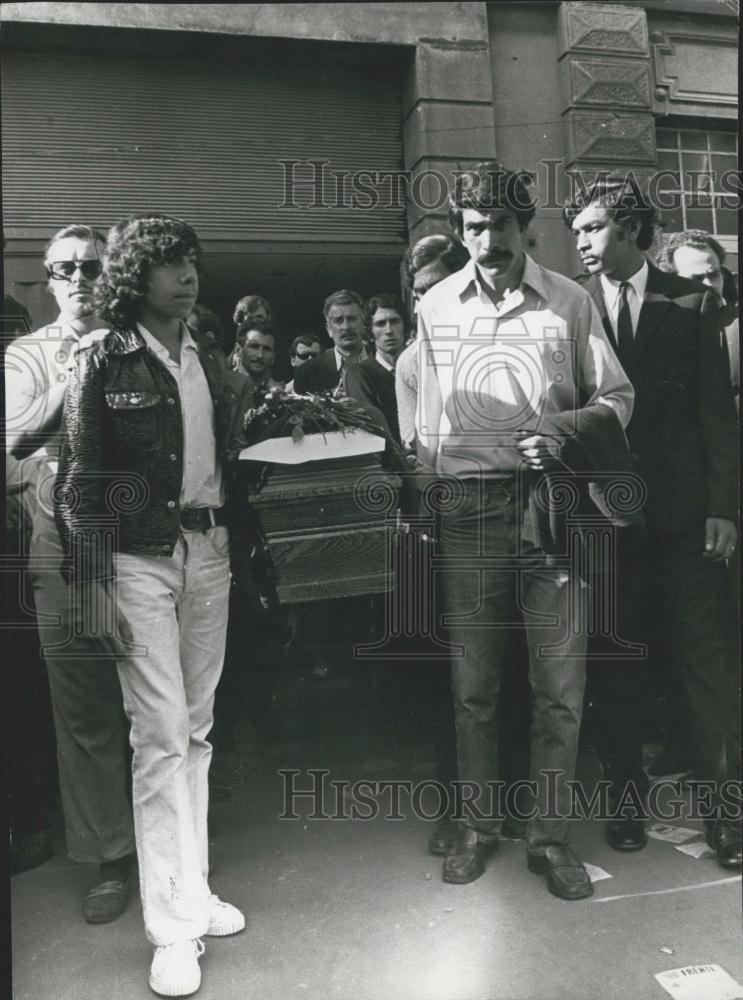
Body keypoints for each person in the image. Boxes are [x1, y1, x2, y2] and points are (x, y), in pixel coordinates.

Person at [416, 161, 634, 899]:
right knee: (473, 685)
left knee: (560, 687)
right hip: (468, 510)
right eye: (472, 228)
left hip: (551, 506)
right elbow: (425, 423)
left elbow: (616, 397)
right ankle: (478, 827)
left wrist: (561, 432)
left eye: (499, 227)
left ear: (523, 228)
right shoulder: (436, 306)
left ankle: (548, 839)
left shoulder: (569, 302)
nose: (486, 242)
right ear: (459, 230)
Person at [54, 214, 254, 996]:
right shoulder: (103, 355)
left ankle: (193, 894)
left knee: (196, 731)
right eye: (169, 264)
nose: (186, 274)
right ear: (137, 276)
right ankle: (170, 929)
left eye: (191, 261)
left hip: (209, 549)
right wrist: (94, 580)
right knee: (161, 735)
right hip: (137, 559)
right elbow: (79, 481)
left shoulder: (205, 351)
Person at [563, 180, 741, 867]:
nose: (579, 241)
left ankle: (724, 816)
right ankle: (625, 801)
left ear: (632, 230)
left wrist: (723, 508)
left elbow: (714, 419)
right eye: (575, 229)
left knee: (706, 667)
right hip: (605, 521)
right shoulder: (573, 309)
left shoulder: (691, 301)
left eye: (592, 227)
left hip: (684, 520)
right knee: (617, 666)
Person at [5, 225, 136, 919]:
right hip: (63, 538)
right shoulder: (28, 355)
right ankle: (110, 856)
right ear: (48, 280)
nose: (80, 279)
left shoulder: (142, 339)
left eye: (92, 267)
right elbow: (11, 447)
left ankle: (170, 847)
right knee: (85, 707)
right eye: (66, 269)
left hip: (139, 534)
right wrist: (78, 374)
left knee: (152, 694)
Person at [396, 235, 470, 448]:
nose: (430, 302)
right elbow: (415, 445)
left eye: (439, 287)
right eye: (422, 292)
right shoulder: (410, 363)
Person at [344, 293, 406, 443]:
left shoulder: (418, 370)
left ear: (405, 327)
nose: (389, 330)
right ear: (370, 333)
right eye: (380, 324)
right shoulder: (360, 374)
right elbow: (372, 427)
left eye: (394, 321)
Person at [292, 289, 366, 394]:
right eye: (338, 320)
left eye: (352, 319)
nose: (346, 327)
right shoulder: (307, 372)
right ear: (328, 329)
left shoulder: (382, 361)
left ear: (364, 323)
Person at [233, 318, 284, 403]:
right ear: (238, 350)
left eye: (267, 349)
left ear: (273, 357)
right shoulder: (218, 389)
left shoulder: (280, 399)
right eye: (254, 346)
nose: (260, 355)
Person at [229, 294, 274, 370]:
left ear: (268, 318)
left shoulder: (281, 356)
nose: (256, 323)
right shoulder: (224, 362)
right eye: (250, 319)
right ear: (240, 323)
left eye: (260, 317)